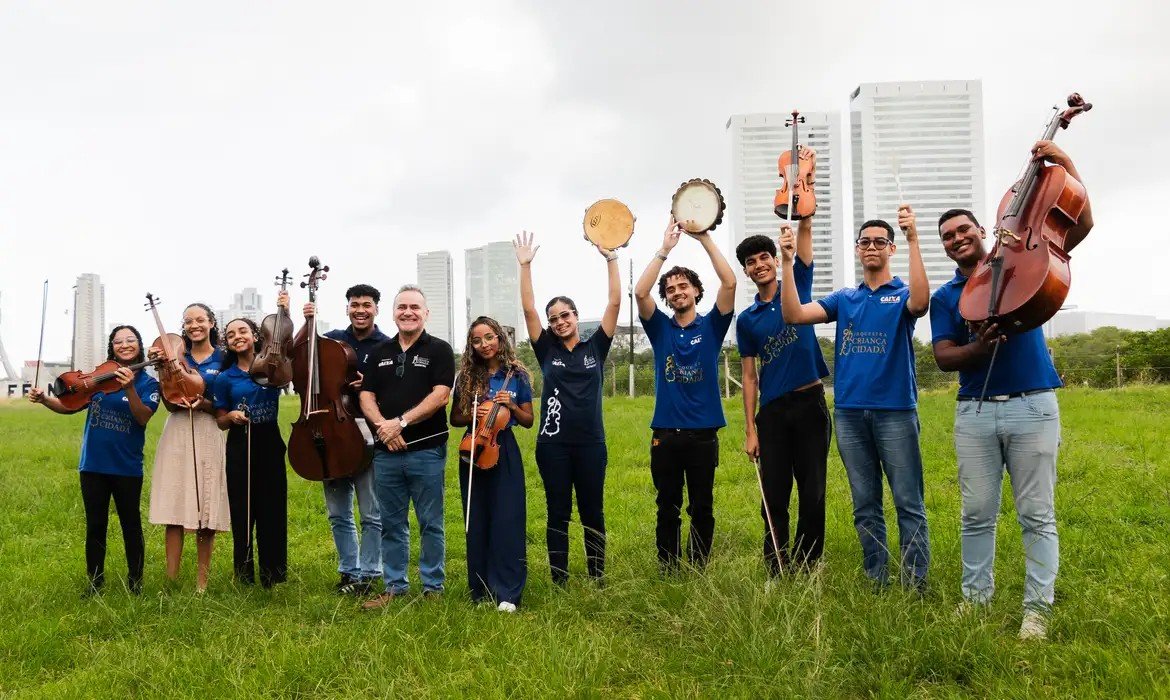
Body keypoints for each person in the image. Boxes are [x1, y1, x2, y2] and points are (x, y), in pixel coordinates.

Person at [930, 140, 1093, 640]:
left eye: (964, 230)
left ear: (983, 231)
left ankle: (1036, 611)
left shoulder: (1027, 263)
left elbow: (1079, 222)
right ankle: (975, 600)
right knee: (976, 513)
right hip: (974, 412)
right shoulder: (947, 297)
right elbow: (942, 357)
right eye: (948, 237)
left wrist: (1064, 161)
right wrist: (976, 349)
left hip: (1032, 406)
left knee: (1037, 514)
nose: (957, 239)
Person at [780, 205, 931, 591]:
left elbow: (921, 303)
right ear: (858, 249)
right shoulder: (845, 298)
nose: (871, 247)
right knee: (865, 504)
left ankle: (915, 582)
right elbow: (794, 314)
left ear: (891, 249)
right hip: (848, 415)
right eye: (865, 242)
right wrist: (786, 262)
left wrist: (913, 238)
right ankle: (875, 576)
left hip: (895, 413)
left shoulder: (901, 295)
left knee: (907, 502)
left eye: (880, 242)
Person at [734, 148, 831, 577]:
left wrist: (803, 192)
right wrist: (751, 428)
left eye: (763, 258)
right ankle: (777, 565)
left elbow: (806, 228)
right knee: (773, 493)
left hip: (809, 403)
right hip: (772, 413)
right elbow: (749, 376)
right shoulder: (747, 319)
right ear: (747, 271)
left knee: (812, 490)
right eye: (751, 263)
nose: (759, 266)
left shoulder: (798, 281)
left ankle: (810, 565)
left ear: (775, 259)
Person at [514, 230, 620, 586]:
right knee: (557, 513)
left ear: (576, 316)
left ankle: (597, 577)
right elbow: (528, 309)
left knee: (593, 512)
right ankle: (559, 579)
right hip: (553, 445)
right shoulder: (548, 351)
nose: (560, 322)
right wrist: (525, 266)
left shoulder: (596, 349)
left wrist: (611, 259)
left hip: (591, 444)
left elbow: (615, 304)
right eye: (554, 318)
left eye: (565, 315)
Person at [633, 215, 736, 572]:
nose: (677, 292)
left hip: (703, 434)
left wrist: (704, 238)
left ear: (695, 291)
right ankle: (668, 566)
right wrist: (664, 249)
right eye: (671, 289)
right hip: (665, 433)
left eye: (683, 286)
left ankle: (698, 565)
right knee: (667, 505)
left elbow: (730, 281)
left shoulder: (712, 325)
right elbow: (640, 293)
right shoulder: (660, 329)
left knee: (702, 505)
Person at [29, 325, 160, 596]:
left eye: (130, 340)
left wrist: (130, 388)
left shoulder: (149, 384)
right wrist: (44, 400)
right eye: (118, 341)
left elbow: (143, 417)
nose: (124, 344)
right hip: (93, 465)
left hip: (126, 466)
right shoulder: (100, 378)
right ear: (112, 347)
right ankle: (95, 582)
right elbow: (68, 405)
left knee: (130, 525)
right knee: (96, 525)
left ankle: (135, 583)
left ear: (139, 345)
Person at [358, 285, 454, 609]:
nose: (408, 312)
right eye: (402, 307)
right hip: (386, 454)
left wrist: (400, 422)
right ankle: (395, 586)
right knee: (391, 524)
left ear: (426, 313)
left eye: (415, 307)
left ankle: (433, 588)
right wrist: (384, 427)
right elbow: (366, 396)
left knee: (431, 522)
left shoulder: (440, 350)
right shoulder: (380, 353)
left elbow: (441, 395)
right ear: (393, 313)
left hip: (426, 452)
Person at [304, 284, 387, 595]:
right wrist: (308, 323)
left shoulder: (387, 346)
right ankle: (348, 571)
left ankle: (370, 572)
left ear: (376, 308)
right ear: (347, 308)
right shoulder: (333, 339)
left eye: (366, 304)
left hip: (368, 434)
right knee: (338, 512)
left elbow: (394, 391)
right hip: (332, 431)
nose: (360, 310)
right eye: (355, 304)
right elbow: (300, 357)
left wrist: (371, 383)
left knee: (371, 512)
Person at [450, 316, 534, 611]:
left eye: (489, 337)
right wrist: (472, 406)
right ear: (471, 345)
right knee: (478, 518)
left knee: (508, 518)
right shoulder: (467, 377)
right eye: (476, 340)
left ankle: (508, 591)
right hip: (473, 447)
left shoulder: (518, 375)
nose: (483, 344)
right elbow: (455, 419)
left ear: (499, 338)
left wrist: (510, 406)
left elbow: (528, 421)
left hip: (504, 447)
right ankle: (481, 589)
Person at [148, 303, 231, 593]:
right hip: (178, 429)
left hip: (209, 428)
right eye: (188, 321)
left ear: (211, 323)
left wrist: (206, 404)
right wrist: (162, 370)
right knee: (174, 505)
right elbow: (170, 402)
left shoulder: (224, 358)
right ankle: (170, 581)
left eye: (200, 320)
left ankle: (201, 583)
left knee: (205, 508)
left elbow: (227, 399)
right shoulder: (174, 356)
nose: (194, 325)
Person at [213, 306, 289, 588]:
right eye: (230, 335)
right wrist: (230, 416)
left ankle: (274, 574)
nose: (237, 337)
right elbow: (220, 420)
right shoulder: (224, 379)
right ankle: (244, 575)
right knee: (243, 509)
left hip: (269, 439)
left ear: (256, 335)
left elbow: (285, 337)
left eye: (242, 331)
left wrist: (285, 307)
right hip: (239, 443)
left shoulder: (273, 366)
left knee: (272, 507)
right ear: (227, 344)